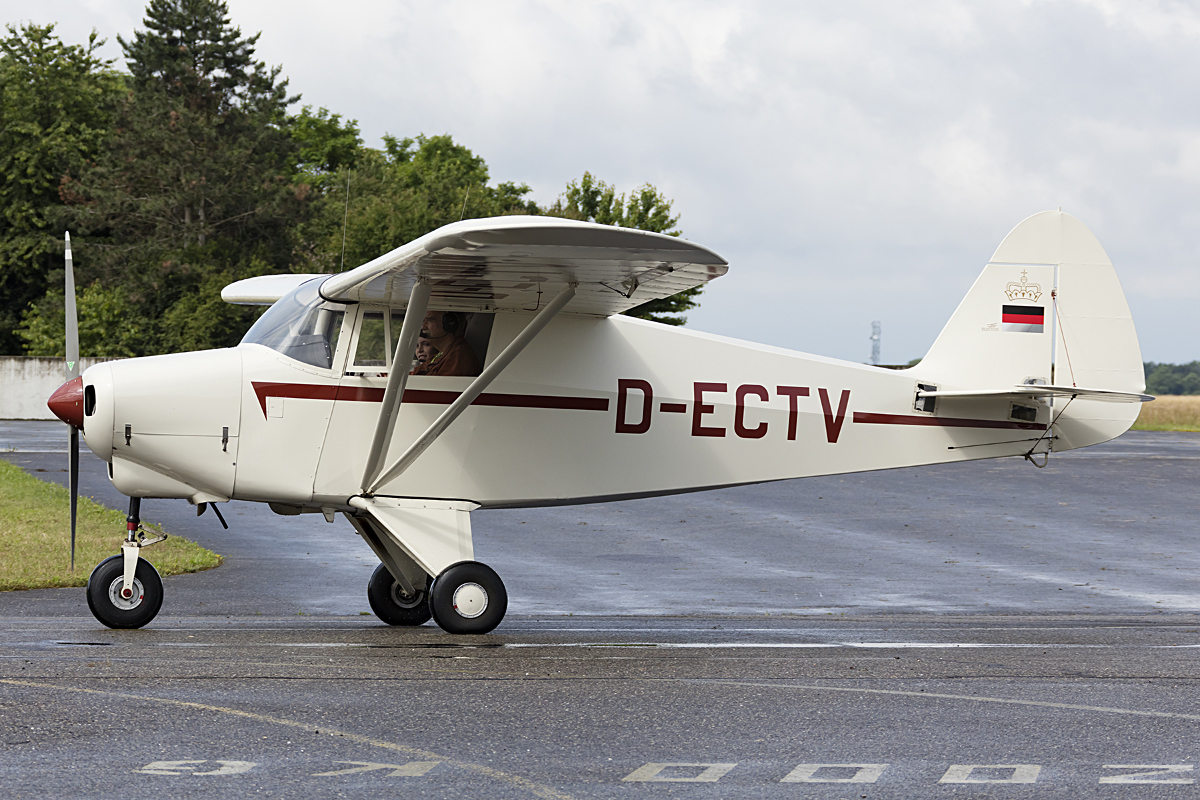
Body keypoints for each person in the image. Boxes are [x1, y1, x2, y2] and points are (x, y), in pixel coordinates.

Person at [412, 310, 481, 377]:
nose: (423, 327)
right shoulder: (441, 353)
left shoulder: (457, 356)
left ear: (449, 323)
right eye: (424, 321)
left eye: (430, 320)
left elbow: (436, 386)